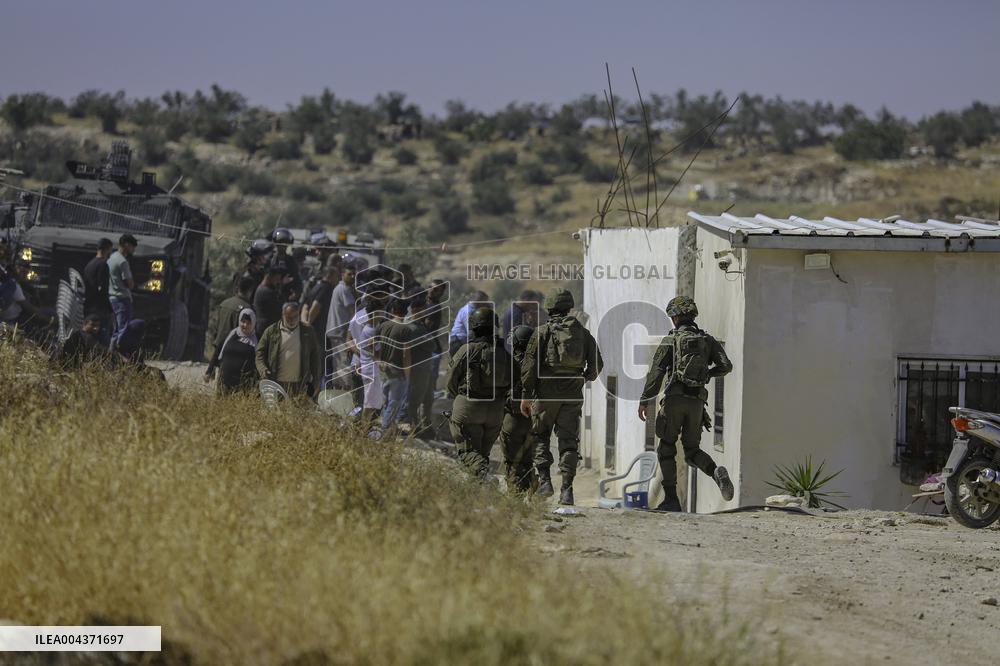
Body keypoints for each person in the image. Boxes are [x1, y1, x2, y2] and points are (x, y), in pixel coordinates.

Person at [638, 296, 735, 511]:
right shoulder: (707, 340)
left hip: (674, 401)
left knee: (666, 448)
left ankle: (671, 499)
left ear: (676, 318)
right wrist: (707, 375)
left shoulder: (670, 340)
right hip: (697, 403)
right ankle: (715, 471)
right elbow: (726, 366)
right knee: (692, 451)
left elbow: (656, 373)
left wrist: (645, 400)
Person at [520, 288, 603, 505]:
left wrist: (526, 396)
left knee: (540, 437)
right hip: (572, 395)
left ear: (549, 308)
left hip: (545, 395)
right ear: (569, 307)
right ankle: (567, 490)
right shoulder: (583, 334)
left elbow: (529, 367)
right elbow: (596, 367)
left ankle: (546, 483)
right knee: (569, 442)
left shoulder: (541, 332)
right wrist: (583, 378)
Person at [446, 307, 511, 479]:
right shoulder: (503, 352)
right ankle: (480, 490)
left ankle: (485, 476)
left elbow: (451, 380)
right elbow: (515, 379)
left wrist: (458, 399)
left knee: (467, 454)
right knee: (482, 454)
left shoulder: (467, 350)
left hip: (469, 407)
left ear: (473, 327)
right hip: (496, 411)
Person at [255, 301, 322, 399]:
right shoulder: (271, 331)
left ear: (299, 315)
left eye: (295, 317)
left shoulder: (308, 332)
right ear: (283, 315)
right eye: (288, 318)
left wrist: (316, 380)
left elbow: (315, 357)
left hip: (299, 385)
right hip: (277, 384)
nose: (292, 320)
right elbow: (259, 352)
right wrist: (262, 369)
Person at [500, 324, 536, 492]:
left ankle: (516, 495)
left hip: (512, 417)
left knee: (511, 459)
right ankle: (529, 488)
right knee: (528, 459)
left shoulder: (508, 364)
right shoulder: (539, 365)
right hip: (533, 420)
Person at [375, 297, 415, 433]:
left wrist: (378, 361)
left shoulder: (382, 326)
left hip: (383, 370)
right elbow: (406, 354)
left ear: (392, 310)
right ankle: (385, 430)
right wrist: (408, 375)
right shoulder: (406, 329)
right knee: (394, 402)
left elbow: (374, 347)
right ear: (406, 312)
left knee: (385, 402)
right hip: (398, 372)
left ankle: (386, 427)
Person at [205, 308, 258, 394]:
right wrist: (209, 371)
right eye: (243, 321)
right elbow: (217, 352)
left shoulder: (256, 341)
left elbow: (258, 364)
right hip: (224, 382)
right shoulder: (231, 335)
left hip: (243, 387)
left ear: (253, 324)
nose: (245, 325)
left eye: (248, 323)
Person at [406, 296, 438, 438]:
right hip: (418, 368)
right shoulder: (414, 327)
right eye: (424, 309)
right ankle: (414, 426)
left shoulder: (420, 325)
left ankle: (426, 425)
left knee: (428, 398)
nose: (426, 311)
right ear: (416, 310)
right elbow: (432, 345)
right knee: (416, 399)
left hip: (425, 367)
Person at [326, 265, 357, 387]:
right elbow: (353, 311)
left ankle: (338, 389)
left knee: (338, 364)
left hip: (336, 331)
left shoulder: (341, 288)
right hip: (340, 332)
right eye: (349, 274)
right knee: (343, 363)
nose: (353, 277)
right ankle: (345, 391)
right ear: (342, 274)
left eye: (354, 274)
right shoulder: (343, 289)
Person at [211, 276, 256, 357]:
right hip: (233, 350)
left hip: (218, 346)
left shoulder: (224, 303)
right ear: (250, 291)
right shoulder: (247, 309)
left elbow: (216, 328)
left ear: (238, 288)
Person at [107, 234, 138, 345]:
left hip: (112, 298)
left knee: (116, 330)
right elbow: (129, 283)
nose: (134, 249)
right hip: (122, 298)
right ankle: (120, 355)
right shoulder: (123, 262)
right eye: (132, 246)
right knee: (123, 330)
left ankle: (111, 356)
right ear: (126, 245)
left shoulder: (112, 257)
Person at [83, 238, 114, 343]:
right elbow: (103, 288)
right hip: (99, 306)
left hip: (89, 304)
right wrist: (109, 307)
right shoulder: (103, 265)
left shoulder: (89, 264)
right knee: (103, 335)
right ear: (108, 249)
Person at [449, 290, 489, 357]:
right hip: (458, 343)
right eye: (485, 302)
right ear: (480, 301)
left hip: (461, 343)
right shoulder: (469, 312)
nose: (486, 304)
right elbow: (471, 332)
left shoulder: (471, 310)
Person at [253, 265, 285, 337]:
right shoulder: (266, 292)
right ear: (269, 277)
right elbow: (280, 306)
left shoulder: (263, 289)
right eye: (276, 279)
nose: (278, 281)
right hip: (266, 329)